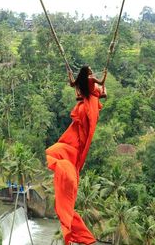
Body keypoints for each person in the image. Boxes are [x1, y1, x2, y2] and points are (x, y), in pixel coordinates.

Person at [46, 65, 107, 245]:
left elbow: (72, 84)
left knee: (79, 137)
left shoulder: (80, 81)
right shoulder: (90, 80)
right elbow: (101, 84)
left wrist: (69, 76)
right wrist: (102, 76)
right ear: (88, 73)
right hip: (88, 107)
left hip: (84, 106)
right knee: (83, 135)